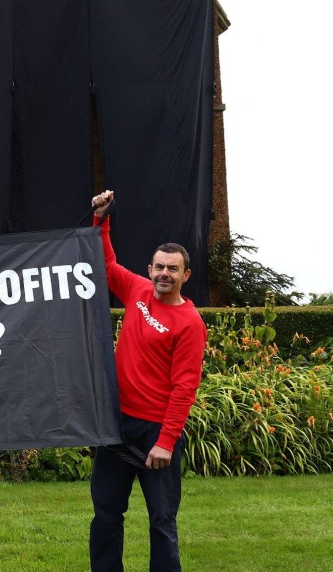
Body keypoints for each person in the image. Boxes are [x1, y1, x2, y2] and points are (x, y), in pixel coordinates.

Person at [88, 190, 207, 572]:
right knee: (106, 515)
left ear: (185, 275)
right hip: (116, 424)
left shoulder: (189, 324)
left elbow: (184, 387)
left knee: (161, 521)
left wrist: (166, 442)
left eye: (172, 269)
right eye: (159, 267)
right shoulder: (138, 291)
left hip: (156, 433)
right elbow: (106, 266)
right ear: (150, 268)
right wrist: (101, 220)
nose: (163, 275)